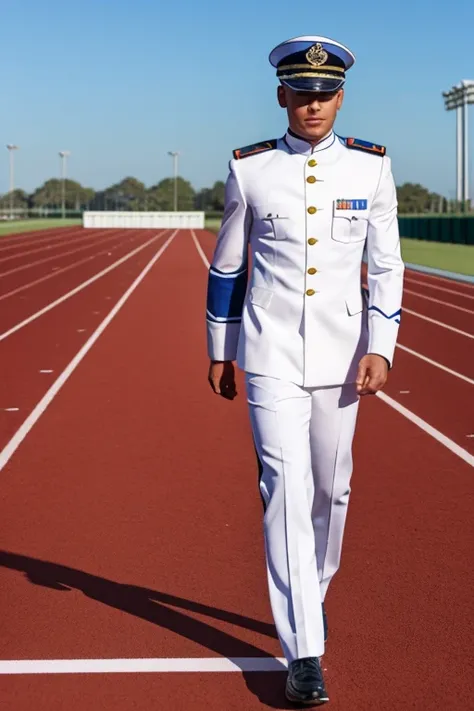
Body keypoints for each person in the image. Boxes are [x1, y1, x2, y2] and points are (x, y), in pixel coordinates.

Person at [206, 34, 404, 706]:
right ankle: (305, 651)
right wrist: (220, 347)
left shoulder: (372, 170)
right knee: (285, 488)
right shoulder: (250, 170)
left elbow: (387, 266)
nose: (313, 103)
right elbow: (227, 265)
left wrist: (382, 344)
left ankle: (308, 597)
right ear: (281, 94)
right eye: (302, 91)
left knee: (331, 490)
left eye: (325, 93)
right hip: (270, 356)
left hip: (344, 358)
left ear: (339, 97)